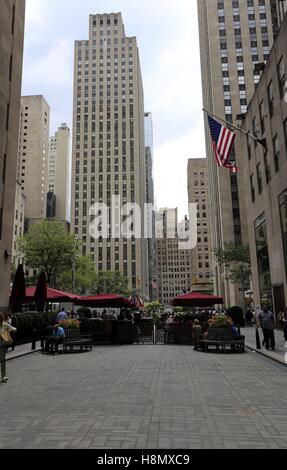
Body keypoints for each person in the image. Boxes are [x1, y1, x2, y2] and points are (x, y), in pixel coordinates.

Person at [0, 314, 17, 383]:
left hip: (2, 346)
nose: (2, 320)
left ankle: (4, 376)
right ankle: (3, 376)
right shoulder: (5, 325)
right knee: (2, 361)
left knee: (3, 361)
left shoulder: (5, 325)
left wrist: (9, 331)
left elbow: (15, 329)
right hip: (2, 345)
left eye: (2, 319)